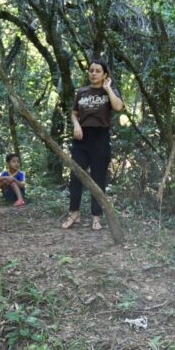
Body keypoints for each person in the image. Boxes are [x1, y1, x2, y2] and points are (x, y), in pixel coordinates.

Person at [63, 60, 123, 231]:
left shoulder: (109, 91)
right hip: (81, 137)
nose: (93, 73)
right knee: (77, 176)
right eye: (91, 70)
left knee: (98, 178)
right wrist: (76, 125)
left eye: (98, 71)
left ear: (105, 74)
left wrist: (108, 88)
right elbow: (74, 114)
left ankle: (96, 217)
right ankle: (74, 214)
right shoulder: (82, 92)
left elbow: (118, 107)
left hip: (100, 137)